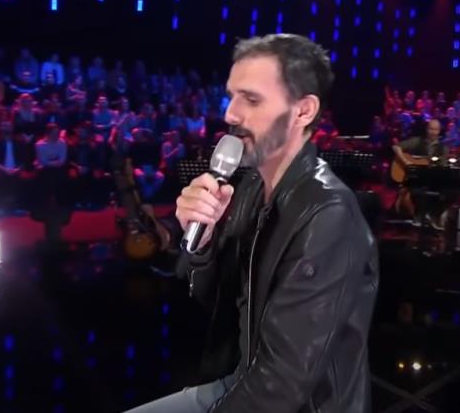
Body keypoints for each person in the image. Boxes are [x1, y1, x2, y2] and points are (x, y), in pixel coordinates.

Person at [125, 34, 378, 413]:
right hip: (239, 379)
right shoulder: (248, 188)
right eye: (232, 96)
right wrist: (203, 243)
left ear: (303, 111)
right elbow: (221, 302)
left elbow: (282, 385)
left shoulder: (329, 215)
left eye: (252, 99)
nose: (230, 114)